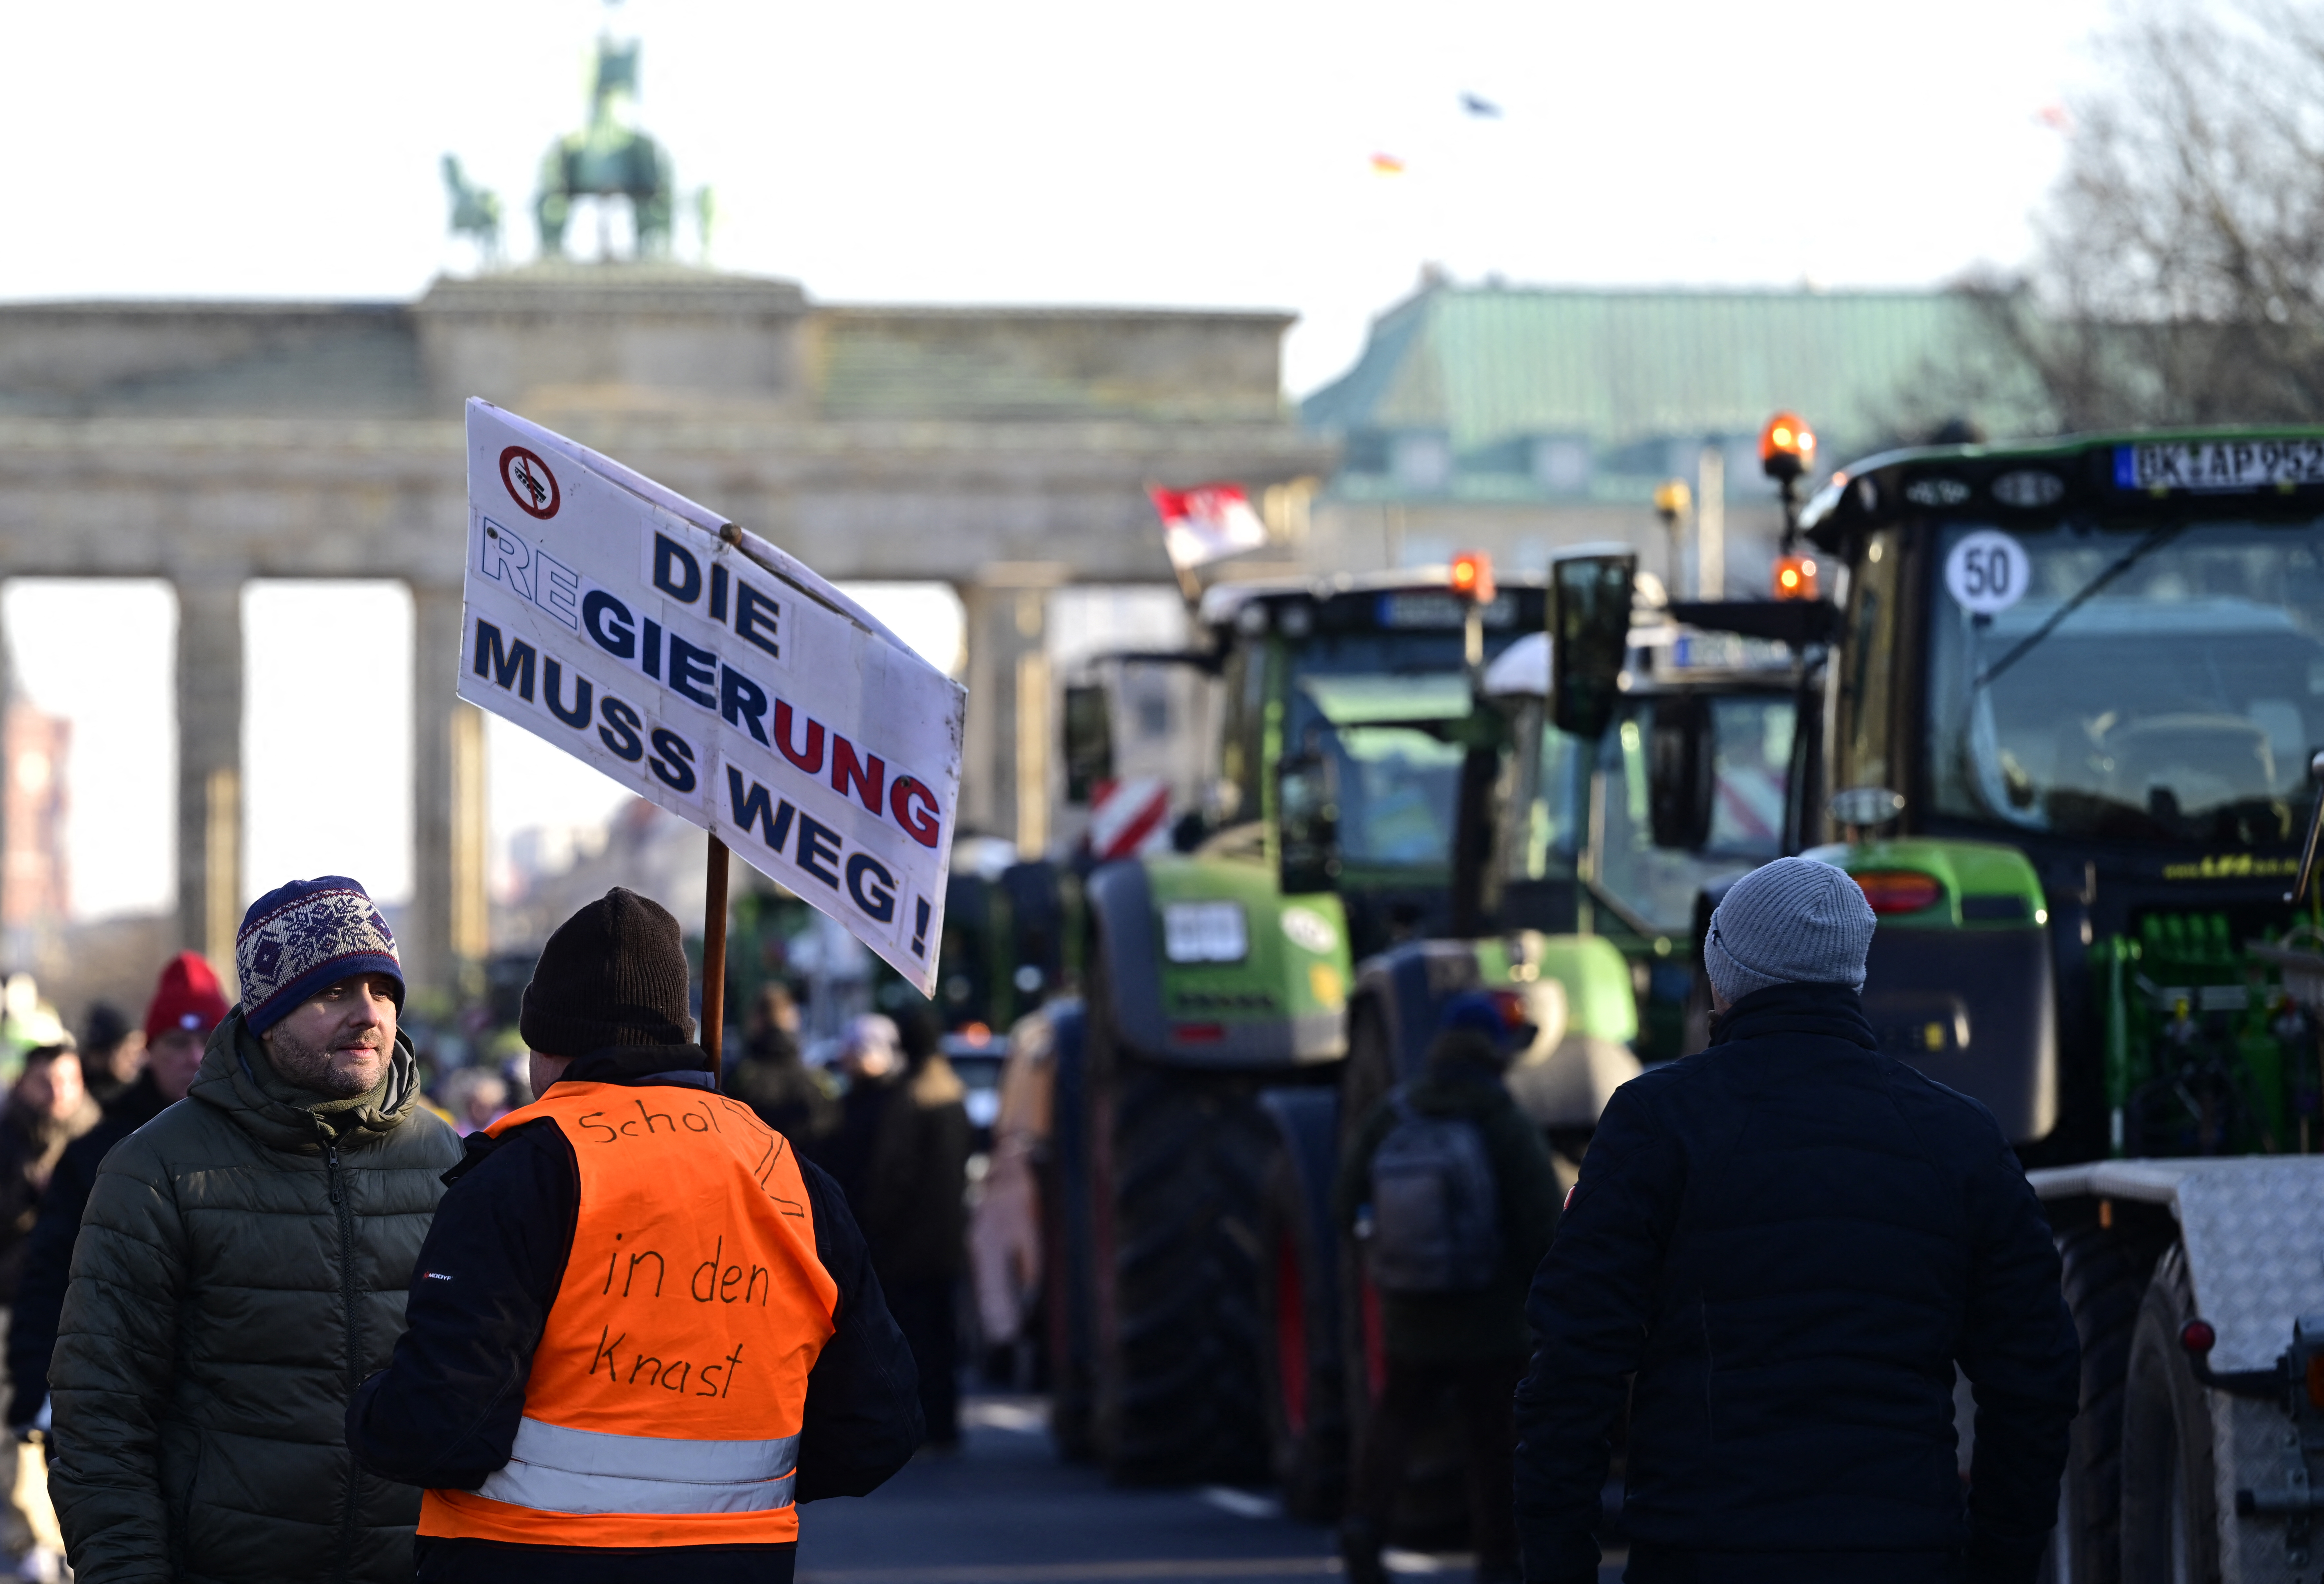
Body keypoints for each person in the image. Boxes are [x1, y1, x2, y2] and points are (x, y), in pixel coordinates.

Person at [1513, 857, 2082, 1584]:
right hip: (1904, 1558)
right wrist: (1997, 1562)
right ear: (1853, 974)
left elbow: (1572, 1370)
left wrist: (1558, 1567)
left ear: (1726, 973)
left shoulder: (1658, 1122)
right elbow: (2035, 1377)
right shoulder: (1960, 1136)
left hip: (1704, 1557)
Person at [347, 887, 923, 1584]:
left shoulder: (525, 1173)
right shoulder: (790, 1176)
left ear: (546, 1043)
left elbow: (439, 1427)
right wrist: (740, 1489)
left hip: (524, 1557)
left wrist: (368, 1407)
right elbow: (879, 1424)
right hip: (737, 1561)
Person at [46, 877, 462, 1583]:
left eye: (384, 990)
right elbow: (102, 1421)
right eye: (335, 992)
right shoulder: (155, 1171)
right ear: (268, 1014)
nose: (369, 1015)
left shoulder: (449, 1160)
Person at [1334, 991, 1562, 1584]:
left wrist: (1384, 1259)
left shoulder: (1394, 1113)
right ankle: (1496, 1557)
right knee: (1492, 1437)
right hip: (1492, 1316)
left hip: (1412, 1307)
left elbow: (1343, 1202)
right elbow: (1541, 1220)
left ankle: (1364, 1525)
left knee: (1396, 1419)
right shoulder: (1503, 1119)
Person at [8, 951, 227, 1436]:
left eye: (207, 1040)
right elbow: (49, 1276)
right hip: (120, 1414)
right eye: (177, 1041)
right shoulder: (98, 1154)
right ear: (149, 1050)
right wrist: (34, 1392)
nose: (194, 1056)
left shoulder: (272, 1144)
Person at [847, 1005, 970, 1450]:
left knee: (914, 1340)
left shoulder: (910, 1096)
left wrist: (874, 1228)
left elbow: (892, 1176)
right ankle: (947, 1425)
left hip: (907, 1244)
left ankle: (920, 1427)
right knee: (945, 1336)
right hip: (949, 1237)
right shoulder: (953, 1090)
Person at [0, 1045, 100, 1303]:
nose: (59, 1093)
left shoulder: (102, 1138)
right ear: (22, 1084)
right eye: (46, 1083)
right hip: (13, 1289)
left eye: (69, 1081)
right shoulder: (8, 1139)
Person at [725, 983, 839, 1148]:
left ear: (756, 1020)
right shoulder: (818, 1080)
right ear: (794, 1018)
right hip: (804, 1171)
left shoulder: (739, 1078)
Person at [74, 1004, 140, 1109]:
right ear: (100, 1055)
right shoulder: (71, 1095)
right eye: (127, 1052)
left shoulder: (143, 1097)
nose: (136, 1059)